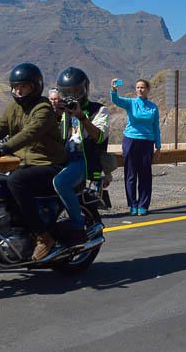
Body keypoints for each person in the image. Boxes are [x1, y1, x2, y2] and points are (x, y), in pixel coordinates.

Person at [0, 63, 66, 261]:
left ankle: (43, 237)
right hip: (27, 166)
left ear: (35, 86)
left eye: (24, 87)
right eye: (15, 87)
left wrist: (2, 150)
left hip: (49, 165)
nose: (18, 91)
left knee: (16, 181)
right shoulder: (13, 108)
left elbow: (29, 134)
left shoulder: (43, 109)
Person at [54, 67, 110, 245]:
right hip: (64, 162)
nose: (71, 96)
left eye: (76, 91)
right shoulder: (60, 113)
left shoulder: (99, 110)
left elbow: (100, 136)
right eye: (66, 92)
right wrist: (56, 116)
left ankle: (86, 232)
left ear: (85, 88)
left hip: (89, 167)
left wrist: (82, 117)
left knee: (90, 205)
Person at [111, 78, 161, 216]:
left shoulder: (153, 107)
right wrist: (114, 89)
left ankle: (143, 205)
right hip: (131, 141)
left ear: (148, 90)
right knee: (131, 174)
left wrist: (158, 145)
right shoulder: (131, 103)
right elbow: (116, 100)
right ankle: (132, 204)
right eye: (138, 87)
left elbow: (156, 127)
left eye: (143, 87)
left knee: (145, 175)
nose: (140, 89)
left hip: (147, 142)